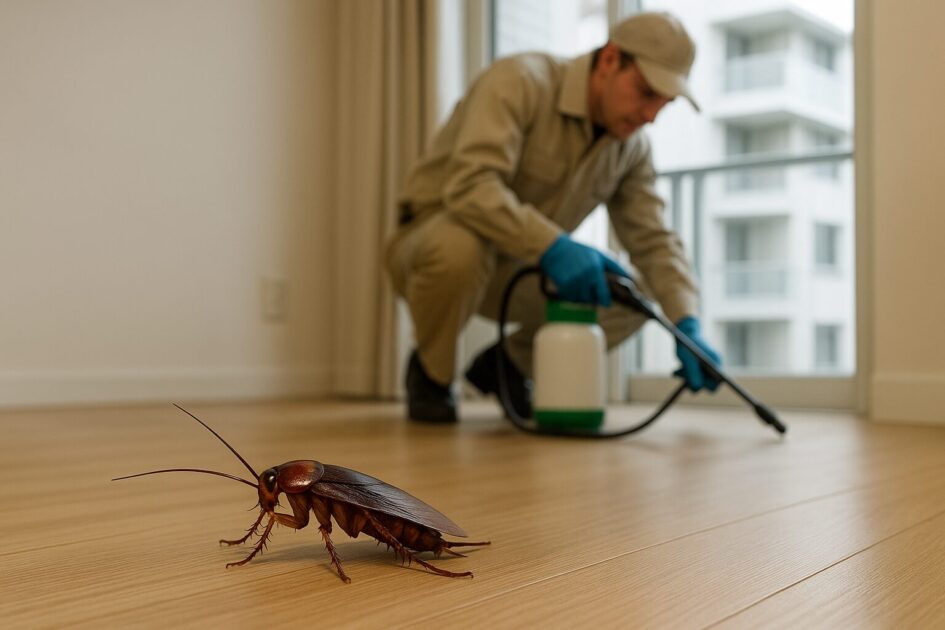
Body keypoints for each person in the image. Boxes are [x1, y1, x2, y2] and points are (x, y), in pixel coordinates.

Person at [385, 11, 722, 423]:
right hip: (431, 245)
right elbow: (470, 187)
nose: (650, 115)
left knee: (638, 292)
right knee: (461, 246)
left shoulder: (631, 148)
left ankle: (507, 366)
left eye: (663, 104)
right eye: (646, 92)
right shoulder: (520, 81)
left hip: (519, 266)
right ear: (611, 59)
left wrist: (686, 321)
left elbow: (653, 241)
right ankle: (431, 375)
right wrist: (553, 245)